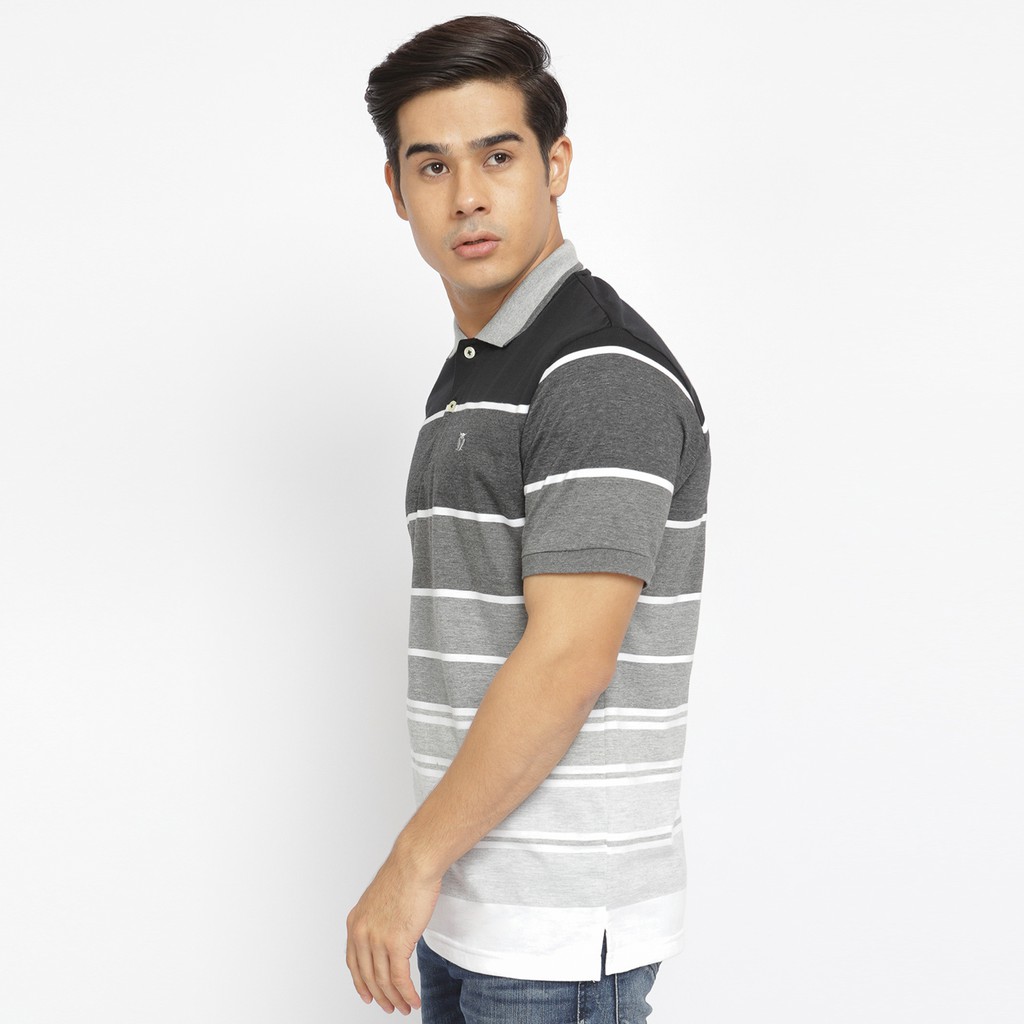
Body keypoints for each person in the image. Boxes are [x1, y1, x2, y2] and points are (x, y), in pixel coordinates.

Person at [348, 16, 711, 1022]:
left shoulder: (597, 372)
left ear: (555, 165)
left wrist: (410, 862)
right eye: (432, 165)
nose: (466, 195)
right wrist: (434, 873)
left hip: (556, 934)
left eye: (498, 156)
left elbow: (568, 659)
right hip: (477, 909)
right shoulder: (480, 375)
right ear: (397, 190)